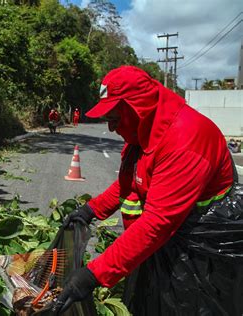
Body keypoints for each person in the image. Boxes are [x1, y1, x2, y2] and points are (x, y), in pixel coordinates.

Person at [51, 66, 238, 315]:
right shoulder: (144, 132)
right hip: (168, 244)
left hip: (201, 258)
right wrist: (90, 210)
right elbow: (130, 181)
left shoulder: (185, 139)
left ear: (137, 109)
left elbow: (158, 223)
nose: (111, 129)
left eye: (115, 120)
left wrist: (93, 274)